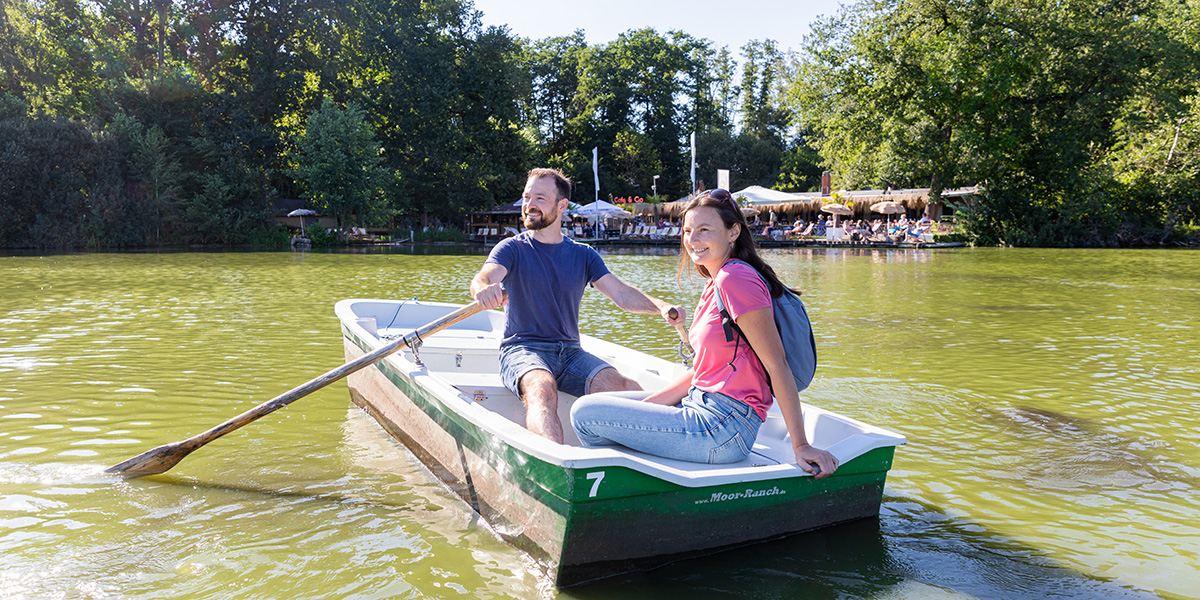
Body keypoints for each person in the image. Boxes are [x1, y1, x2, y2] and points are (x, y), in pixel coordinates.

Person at [570, 189, 839, 478]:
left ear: (733, 231)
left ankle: (628, 488)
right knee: (609, 406)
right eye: (687, 230)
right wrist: (641, 412)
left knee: (584, 413)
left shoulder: (735, 278)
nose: (692, 240)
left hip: (722, 426)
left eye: (704, 230)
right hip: (703, 406)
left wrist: (801, 445)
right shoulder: (717, 280)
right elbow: (703, 370)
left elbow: (777, 364)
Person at [470, 168, 685, 443]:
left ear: (561, 206)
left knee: (625, 387)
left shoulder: (583, 254)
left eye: (539, 198)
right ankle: (554, 463)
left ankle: (665, 446)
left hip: (570, 353)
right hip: (523, 349)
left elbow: (621, 293)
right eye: (526, 197)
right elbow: (484, 277)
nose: (529, 205)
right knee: (541, 387)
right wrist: (483, 290)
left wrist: (662, 306)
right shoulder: (511, 248)